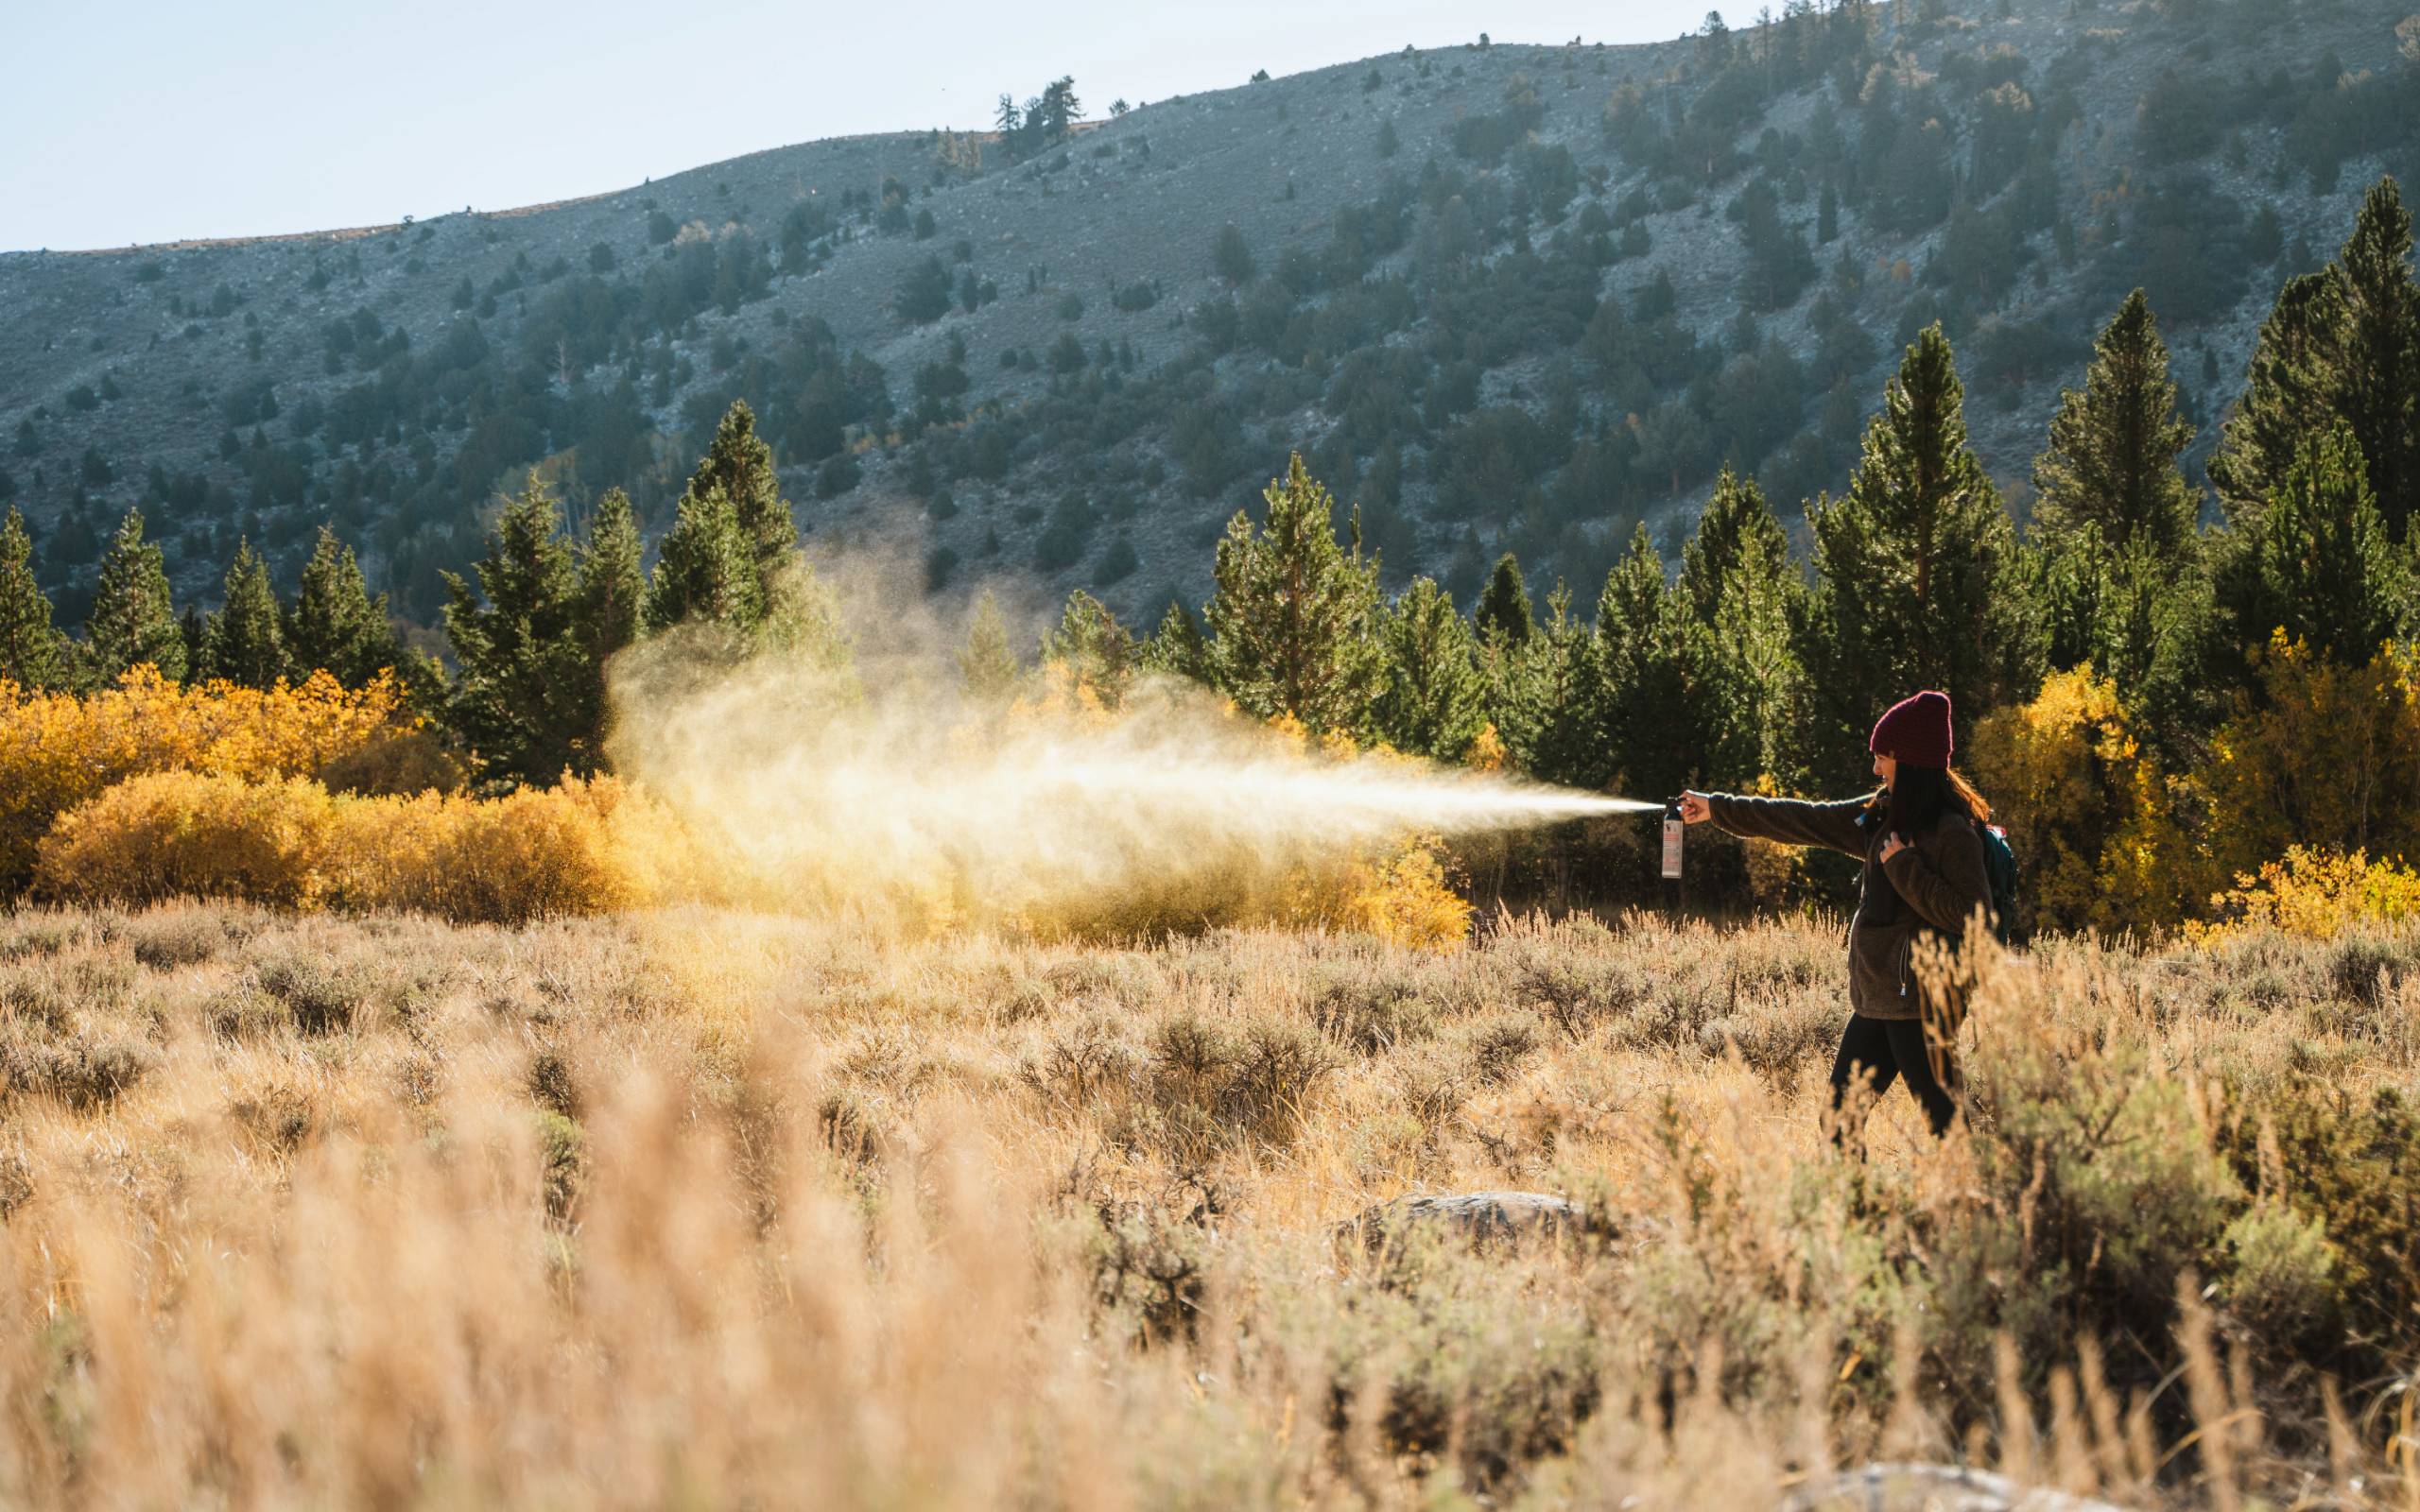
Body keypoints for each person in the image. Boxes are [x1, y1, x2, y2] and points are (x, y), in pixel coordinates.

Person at [1677, 690, 1995, 1145]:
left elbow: (1973, 917)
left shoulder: (1952, 832)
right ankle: (1860, 1215)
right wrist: (1718, 808)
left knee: (1950, 1133)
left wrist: (1904, 867)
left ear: (1912, 762)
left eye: (1884, 758)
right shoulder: (1882, 816)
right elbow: (1802, 819)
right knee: (1838, 1125)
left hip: (1923, 1005)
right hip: (1879, 1000)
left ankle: (1984, 1210)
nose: (1875, 769)